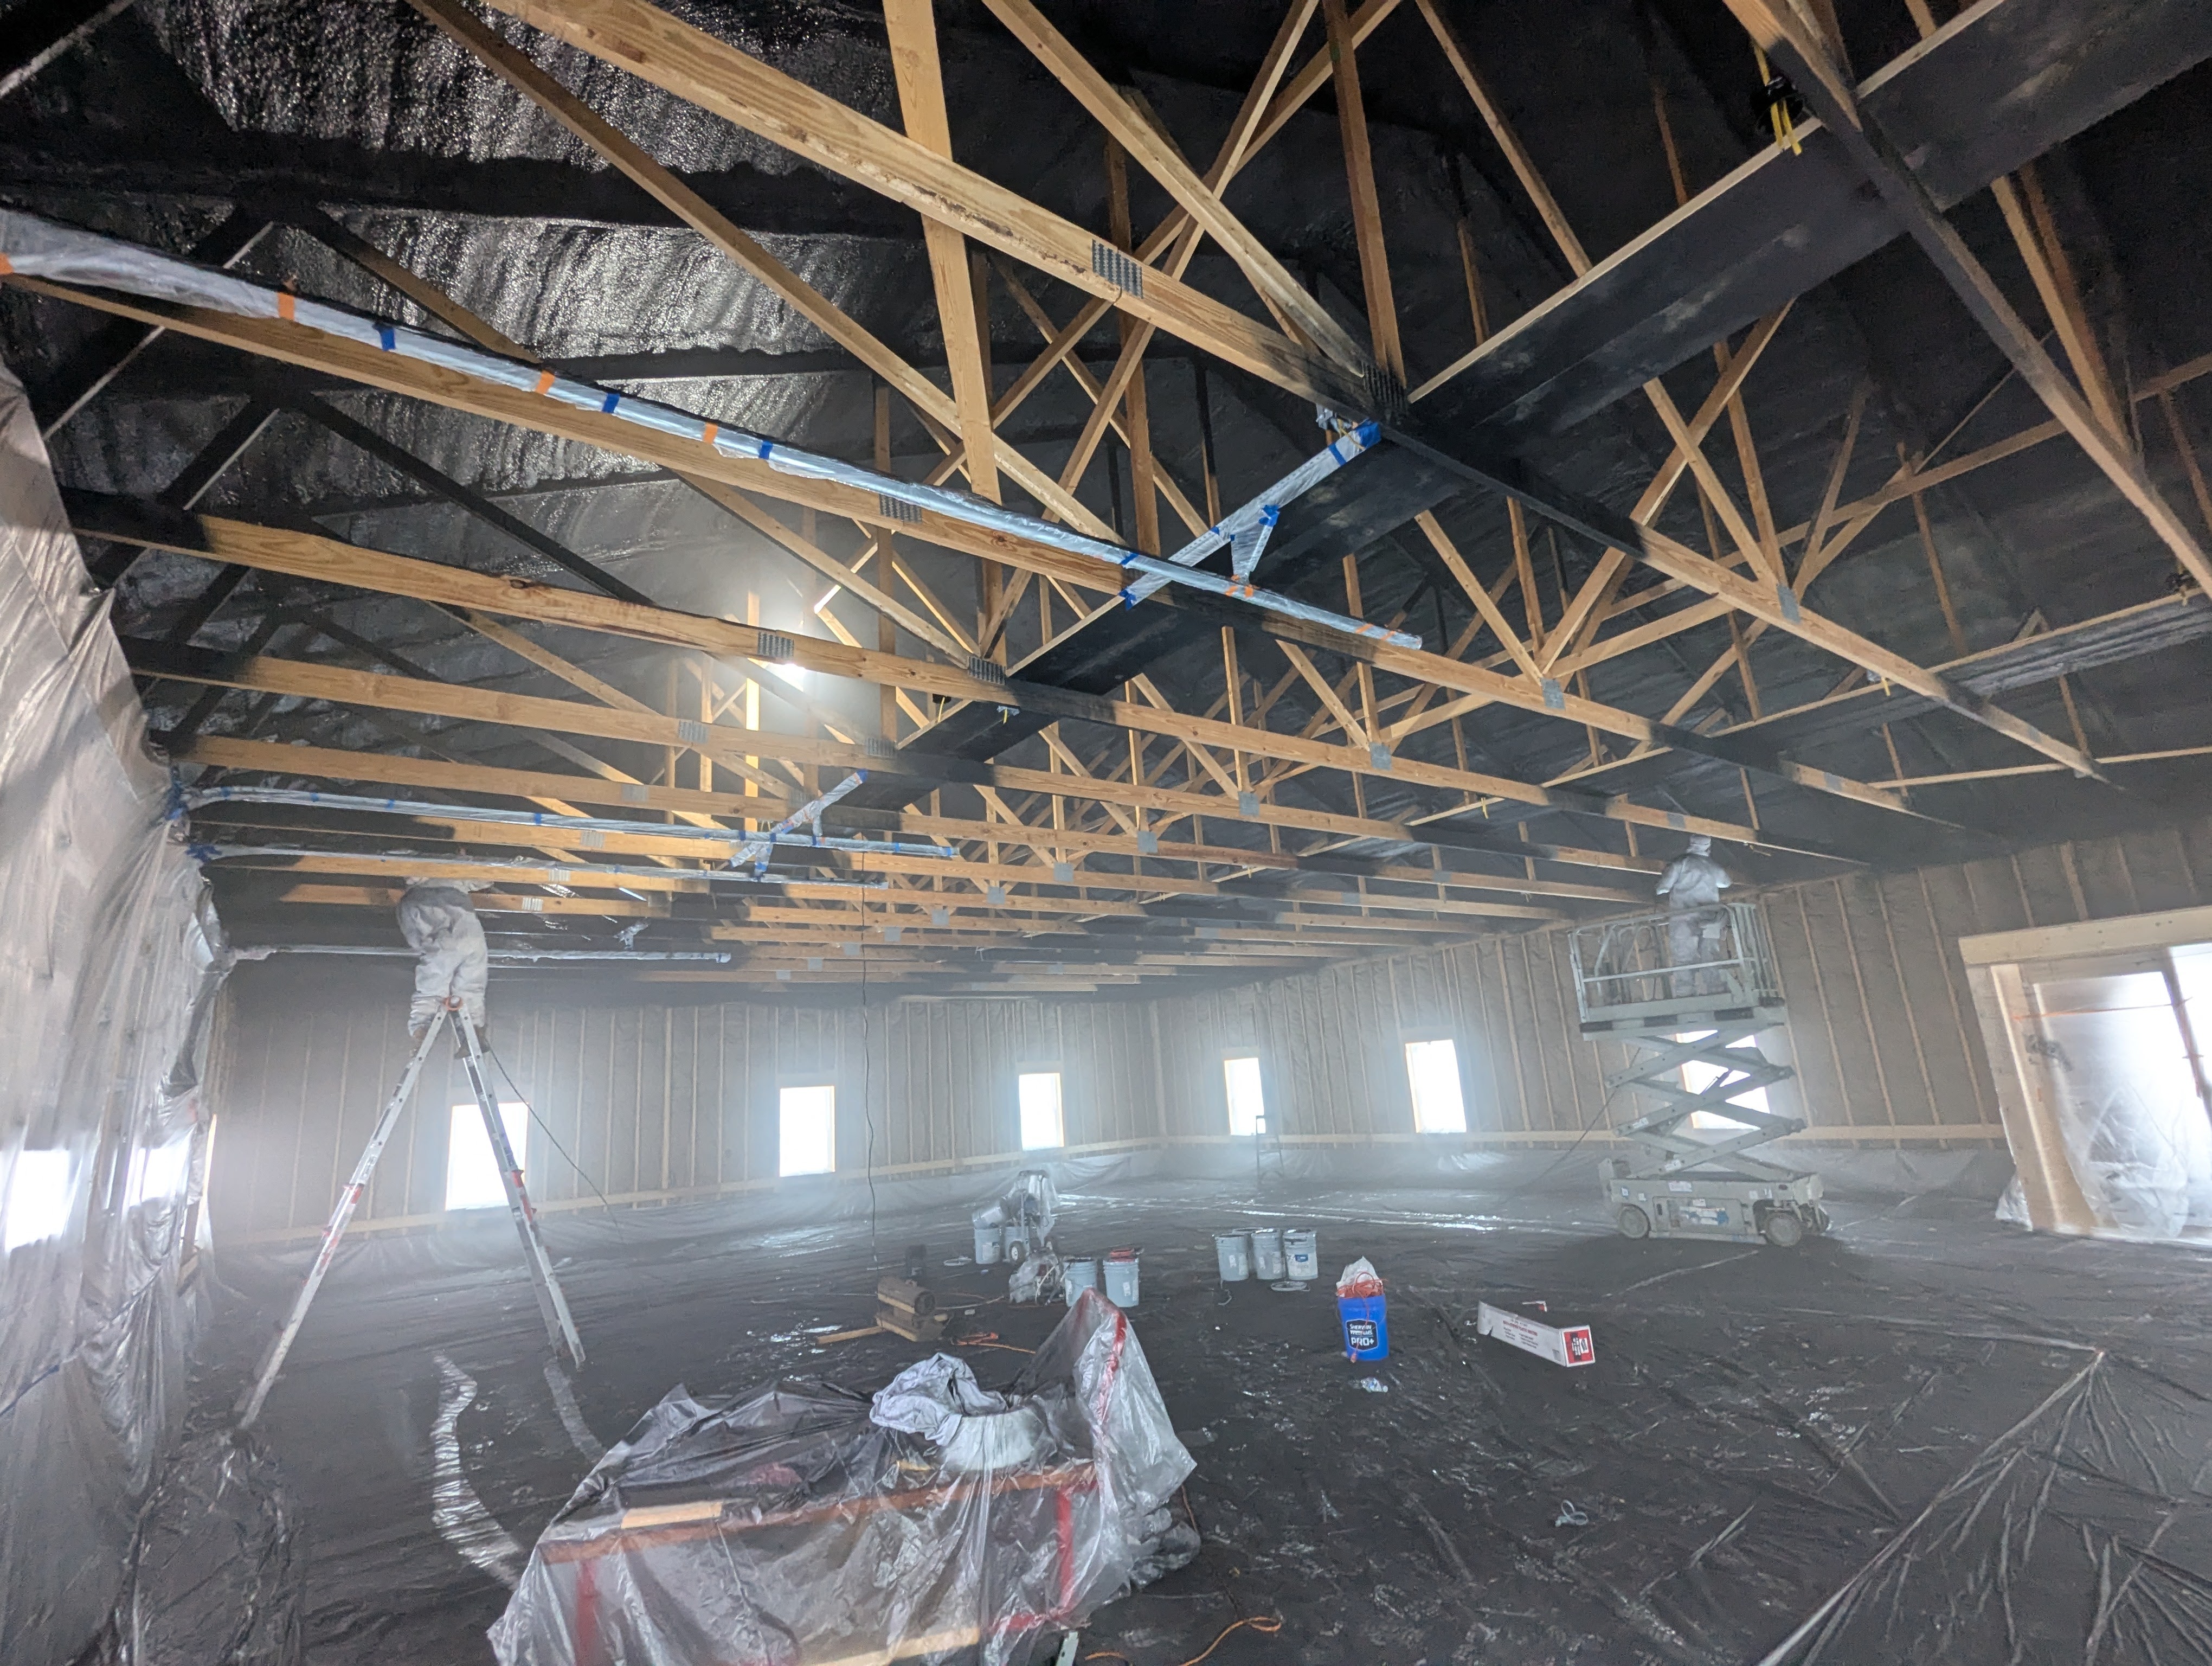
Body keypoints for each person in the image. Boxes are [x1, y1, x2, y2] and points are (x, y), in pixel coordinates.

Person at [396, 879, 489, 1040]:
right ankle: (474, 1034)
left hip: (442, 935)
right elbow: (486, 878)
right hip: (472, 937)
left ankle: (422, 1030)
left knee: (432, 988)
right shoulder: (461, 878)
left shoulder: (417, 878)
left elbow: (414, 939)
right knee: (471, 989)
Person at [1655, 835, 1731, 996]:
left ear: (1691, 844)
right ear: (1708, 848)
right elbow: (1726, 882)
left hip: (1684, 918)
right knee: (1710, 954)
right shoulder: (1712, 867)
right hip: (1710, 920)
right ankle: (1715, 989)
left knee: (1684, 955)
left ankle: (1686, 992)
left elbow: (1662, 888)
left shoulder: (1680, 863)